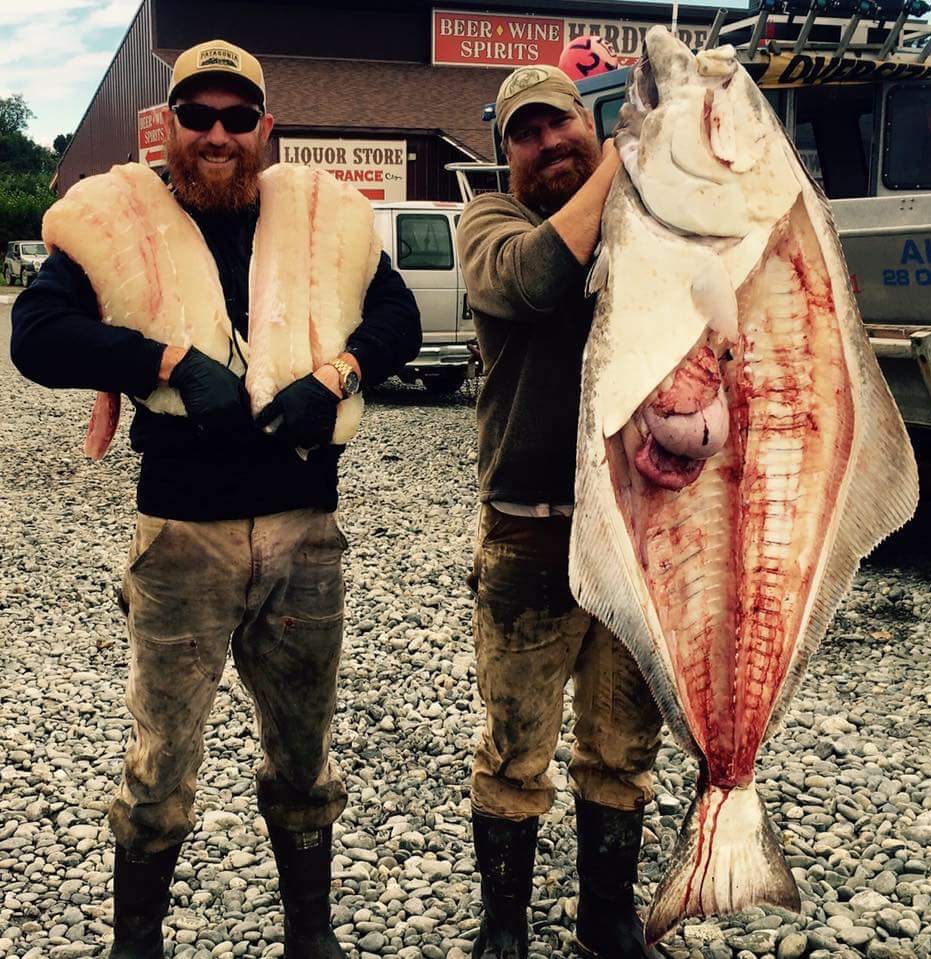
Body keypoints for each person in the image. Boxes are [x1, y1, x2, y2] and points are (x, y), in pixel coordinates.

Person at [10, 39, 420, 959]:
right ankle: (137, 943)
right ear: (169, 126)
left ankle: (309, 937)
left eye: (238, 117)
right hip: (181, 535)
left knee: (305, 750)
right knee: (161, 758)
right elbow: (35, 335)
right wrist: (163, 361)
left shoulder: (322, 215)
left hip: (304, 528)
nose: (218, 134)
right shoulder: (119, 214)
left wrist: (341, 373)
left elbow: (398, 317)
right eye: (198, 116)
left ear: (264, 129)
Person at [456, 65, 663, 959]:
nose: (550, 144)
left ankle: (608, 922)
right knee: (515, 750)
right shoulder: (490, 225)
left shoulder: (649, 221)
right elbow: (536, 281)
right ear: (507, 155)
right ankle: (504, 927)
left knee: (621, 744)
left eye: (561, 123)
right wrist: (626, 158)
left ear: (589, 120)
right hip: (527, 528)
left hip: (637, 532)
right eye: (526, 134)